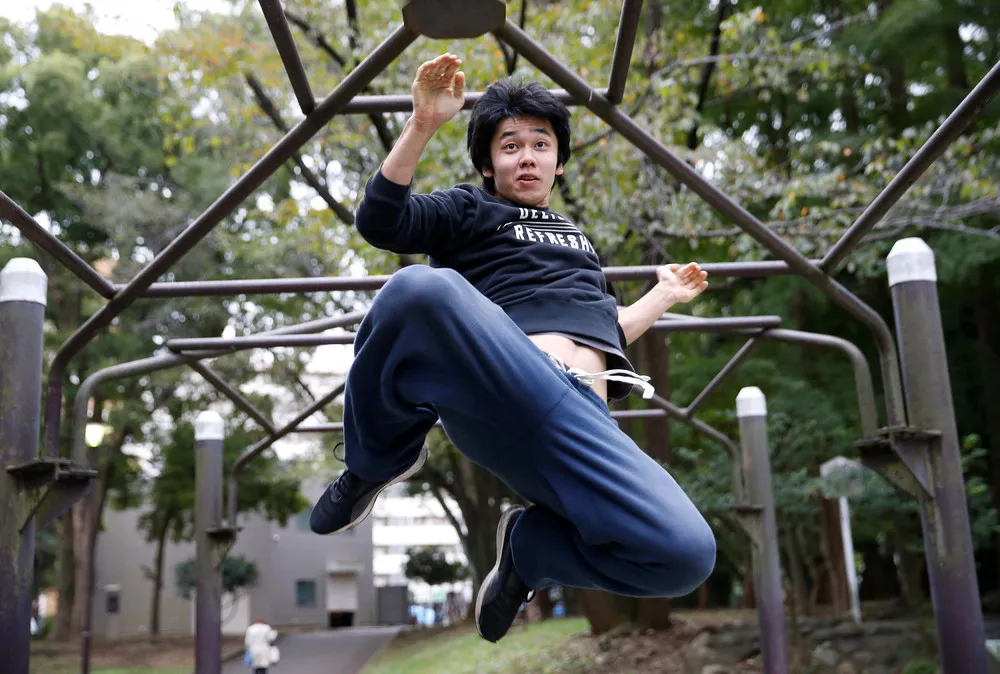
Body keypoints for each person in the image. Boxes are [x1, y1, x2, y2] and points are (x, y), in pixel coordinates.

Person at [310, 52, 717, 643]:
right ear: (488, 162)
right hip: (503, 386)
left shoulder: (582, 243)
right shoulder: (471, 209)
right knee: (418, 287)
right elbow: (380, 222)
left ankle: (530, 554)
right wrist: (421, 124)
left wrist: (663, 296)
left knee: (687, 556)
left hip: (582, 419)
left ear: (558, 162)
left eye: (541, 144)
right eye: (510, 145)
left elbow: (605, 330)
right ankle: (375, 462)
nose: (527, 156)